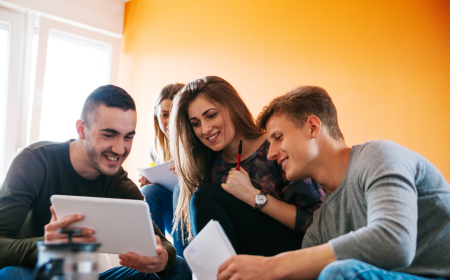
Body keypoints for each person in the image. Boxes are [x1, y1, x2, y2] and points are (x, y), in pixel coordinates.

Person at [217, 85, 450, 280]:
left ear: (313, 127)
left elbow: (395, 242)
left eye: (278, 138)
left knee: (339, 273)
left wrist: (272, 266)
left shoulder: (379, 156)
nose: (270, 154)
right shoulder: (321, 226)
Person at [0, 85, 191, 280]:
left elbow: (160, 241)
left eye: (128, 137)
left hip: (86, 277)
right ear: (81, 129)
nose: (119, 149)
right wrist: (44, 246)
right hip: (40, 272)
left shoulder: (118, 182)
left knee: (177, 266)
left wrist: (161, 259)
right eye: (109, 135)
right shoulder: (34, 161)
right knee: (9, 275)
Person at [169, 76, 324, 256]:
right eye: (196, 124)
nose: (205, 129)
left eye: (211, 116)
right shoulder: (207, 165)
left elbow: (317, 223)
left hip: (296, 253)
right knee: (184, 192)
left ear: (233, 108)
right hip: (242, 260)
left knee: (204, 197)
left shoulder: (276, 147)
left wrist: (254, 197)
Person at [138, 83, 188, 256]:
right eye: (164, 115)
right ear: (156, 117)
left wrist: (187, 171)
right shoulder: (157, 149)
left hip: (198, 218)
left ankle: (183, 264)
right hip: (174, 216)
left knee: (182, 188)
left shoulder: (200, 142)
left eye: (175, 114)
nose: (170, 121)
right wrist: (150, 180)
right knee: (148, 191)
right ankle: (156, 258)